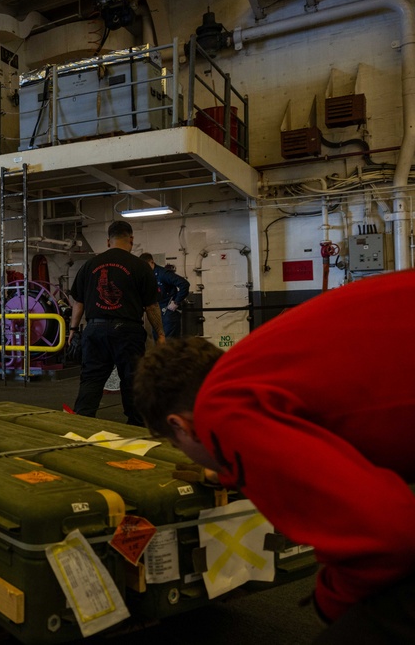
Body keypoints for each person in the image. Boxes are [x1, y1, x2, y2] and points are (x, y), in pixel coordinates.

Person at [133, 270, 415, 644]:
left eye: (177, 445)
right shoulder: (258, 361)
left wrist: (331, 599)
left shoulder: (220, 406)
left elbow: (391, 535)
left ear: (182, 427)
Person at [67, 220, 164, 426]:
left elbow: (78, 303)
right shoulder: (140, 266)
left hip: (94, 329)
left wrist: (73, 329)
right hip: (127, 331)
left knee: (91, 379)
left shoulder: (90, 265)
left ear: (108, 241)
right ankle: (136, 429)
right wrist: (161, 334)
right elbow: (152, 307)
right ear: (131, 239)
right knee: (132, 380)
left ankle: (81, 426)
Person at [138, 252, 189, 339]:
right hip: (156, 312)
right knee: (158, 340)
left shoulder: (164, 274)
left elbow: (184, 284)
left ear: (151, 262)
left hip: (168, 312)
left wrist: (176, 302)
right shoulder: (148, 275)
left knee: (168, 343)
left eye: (146, 266)